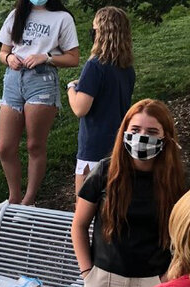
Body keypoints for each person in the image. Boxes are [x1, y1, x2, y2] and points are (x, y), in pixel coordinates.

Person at [69, 99, 187, 287]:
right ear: (124, 132)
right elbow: (79, 225)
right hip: (103, 279)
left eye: (152, 130)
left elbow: (185, 239)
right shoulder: (106, 172)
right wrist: (87, 272)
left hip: (152, 286)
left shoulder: (176, 182)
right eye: (135, 129)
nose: (142, 136)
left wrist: (166, 280)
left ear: (165, 136)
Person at [0, 0, 79, 213]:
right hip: (13, 80)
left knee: (34, 145)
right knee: (5, 147)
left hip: (42, 81)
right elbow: (3, 52)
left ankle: (29, 203)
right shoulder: (16, 15)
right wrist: (9, 58)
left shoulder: (62, 18)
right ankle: (13, 198)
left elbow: (73, 58)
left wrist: (46, 57)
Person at [67, 6, 135, 196]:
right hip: (117, 145)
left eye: (94, 29)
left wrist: (71, 88)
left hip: (93, 147)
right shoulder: (127, 69)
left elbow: (80, 108)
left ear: (101, 32)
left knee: (84, 205)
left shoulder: (95, 66)